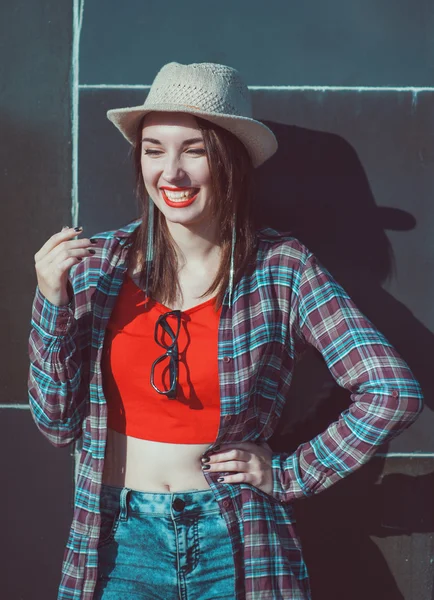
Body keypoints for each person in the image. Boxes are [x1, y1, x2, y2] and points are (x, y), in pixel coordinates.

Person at [28, 62, 423, 600]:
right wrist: (51, 301)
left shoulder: (282, 268)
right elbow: (56, 423)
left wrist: (289, 474)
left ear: (231, 159)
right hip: (119, 540)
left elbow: (391, 391)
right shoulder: (98, 267)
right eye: (153, 149)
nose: (172, 172)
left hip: (234, 539)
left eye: (195, 149)